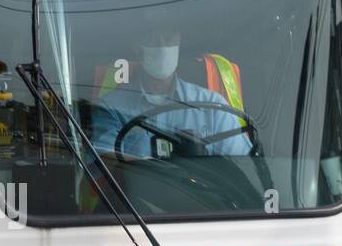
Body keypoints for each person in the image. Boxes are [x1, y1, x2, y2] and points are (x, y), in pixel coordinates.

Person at [91, 21, 252, 160]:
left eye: (168, 37)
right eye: (152, 39)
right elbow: (104, 166)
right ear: (137, 48)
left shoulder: (213, 107)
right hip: (133, 196)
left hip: (202, 195)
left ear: (179, 42)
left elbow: (242, 167)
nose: (162, 46)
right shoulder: (111, 107)